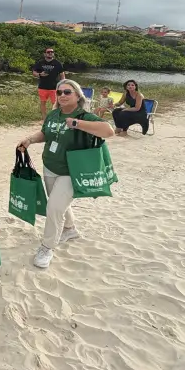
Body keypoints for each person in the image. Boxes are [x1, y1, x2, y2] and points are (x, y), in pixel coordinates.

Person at [17, 79, 114, 269]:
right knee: (58, 203)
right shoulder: (54, 114)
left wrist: (77, 123)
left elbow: (108, 131)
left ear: (77, 96)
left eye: (67, 92)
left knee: (53, 207)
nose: (62, 95)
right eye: (59, 92)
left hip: (72, 170)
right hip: (50, 166)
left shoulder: (85, 116)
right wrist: (30, 140)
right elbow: (45, 133)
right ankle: (69, 229)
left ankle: (47, 247)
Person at [32, 47, 65, 118]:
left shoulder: (57, 63)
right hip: (42, 87)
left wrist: (63, 85)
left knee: (55, 103)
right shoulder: (40, 63)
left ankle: (55, 117)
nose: (50, 53)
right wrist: (40, 74)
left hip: (54, 87)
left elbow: (62, 75)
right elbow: (34, 72)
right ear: (45, 54)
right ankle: (44, 118)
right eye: (48, 52)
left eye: (52, 52)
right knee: (43, 103)